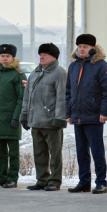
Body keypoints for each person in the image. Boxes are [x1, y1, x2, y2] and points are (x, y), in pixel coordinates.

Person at [66, 34, 107, 194]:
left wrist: (104, 112)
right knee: (81, 151)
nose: (81, 49)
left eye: (85, 47)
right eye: (79, 46)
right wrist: (69, 112)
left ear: (92, 48)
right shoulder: (73, 67)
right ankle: (84, 181)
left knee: (97, 150)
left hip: (94, 115)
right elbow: (68, 91)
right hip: (78, 115)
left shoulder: (100, 65)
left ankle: (101, 182)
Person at [20, 43, 67, 191]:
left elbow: (62, 98)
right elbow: (27, 97)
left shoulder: (59, 73)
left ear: (54, 57)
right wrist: (25, 115)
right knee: (39, 153)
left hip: (51, 122)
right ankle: (42, 179)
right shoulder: (34, 73)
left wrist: (59, 118)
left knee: (55, 154)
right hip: (36, 121)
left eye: (45, 54)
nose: (42, 56)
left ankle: (55, 180)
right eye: (40, 53)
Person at [0, 44, 27, 188]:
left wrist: (16, 117)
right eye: (2, 56)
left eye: (7, 56)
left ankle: (12, 177)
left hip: (10, 119)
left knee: (13, 152)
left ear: (13, 57)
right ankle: (2, 176)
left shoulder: (18, 75)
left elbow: (22, 98)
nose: (5, 59)